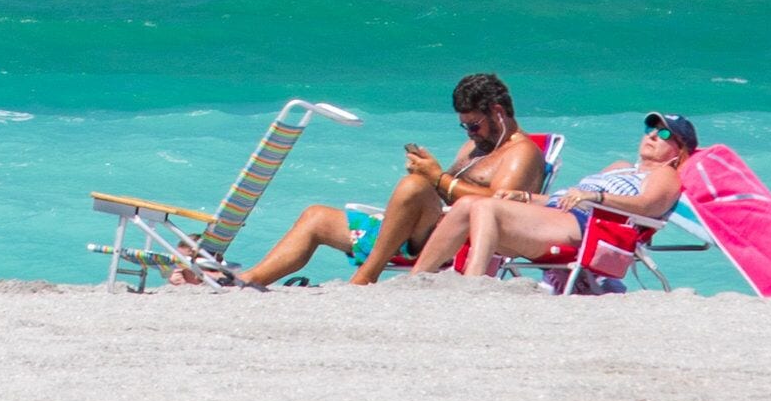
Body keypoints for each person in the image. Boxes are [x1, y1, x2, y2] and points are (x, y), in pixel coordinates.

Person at [224, 72, 548, 286]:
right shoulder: (475, 147)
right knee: (316, 217)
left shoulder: (521, 152)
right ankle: (249, 281)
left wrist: (434, 178)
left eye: (474, 125)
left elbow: (499, 207)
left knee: (415, 186)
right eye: (464, 126)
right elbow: (447, 191)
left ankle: (366, 276)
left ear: (498, 112)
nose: (470, 133)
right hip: (417, 232)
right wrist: (431, 173)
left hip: (452, 243)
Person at [409, 112, 697, 280]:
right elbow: (562, 199)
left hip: (589, 229)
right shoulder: (620, 166)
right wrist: (524, 197)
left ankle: (472, 283)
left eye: (664, 134)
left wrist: (596, 197)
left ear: (680, 150)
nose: (652, 135)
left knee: (486, 207)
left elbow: (647, 206)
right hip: (556, 216)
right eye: (650, 129)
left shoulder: (665, 175)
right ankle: (416, 278)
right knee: (468, 203)